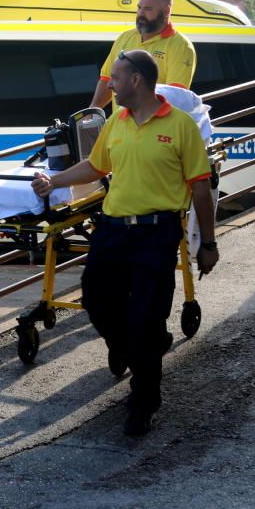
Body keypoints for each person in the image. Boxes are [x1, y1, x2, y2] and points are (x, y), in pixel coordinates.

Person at [32, 49, 219, 437]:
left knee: (148, 317)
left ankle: (144, 402)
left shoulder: (181, 125)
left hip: (157, 232)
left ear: (136, 80)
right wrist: (55, 180)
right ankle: (131, 346)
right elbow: (96, 166)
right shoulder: (116, 122)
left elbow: (201, 187)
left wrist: (208, 244)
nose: (109, 84)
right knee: (97, 299)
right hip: (114, 229)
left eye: (115, 77)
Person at [90, 0, 197, 111]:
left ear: (166, 11)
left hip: (154, 128)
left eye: (148, 9)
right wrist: (93, 109)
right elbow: (107, 78)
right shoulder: (125, 37)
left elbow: (174, 97)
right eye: (139, 8)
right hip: (121, 127)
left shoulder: (181, 46)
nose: (141, 13)